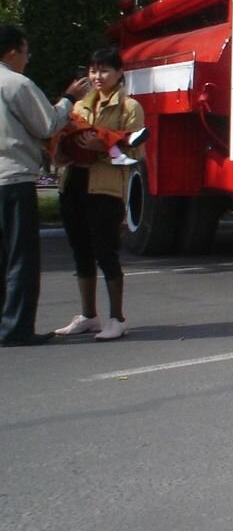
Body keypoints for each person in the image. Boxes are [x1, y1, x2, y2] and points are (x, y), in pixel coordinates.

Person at [0, 25, 92, 347]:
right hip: (13, 178)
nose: (27, 59)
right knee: (20, 259)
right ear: (12, 52)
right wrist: (69, 98)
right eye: (26, 52)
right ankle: (16, 329)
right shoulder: (15, 83)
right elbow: (47, 123)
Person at [53, 48, 146, 341]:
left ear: (119, 73)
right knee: (80, 250)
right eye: (93, 70)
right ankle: (88, 315)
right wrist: (64, 152)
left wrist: (100, 149)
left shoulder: (129, 107)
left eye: (104, 70)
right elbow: (61, 141)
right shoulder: (79, 106)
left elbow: (137, 151)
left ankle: (117, 318)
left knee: (105, 251)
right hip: (74, 182)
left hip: (105, 186)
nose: (97, 76)